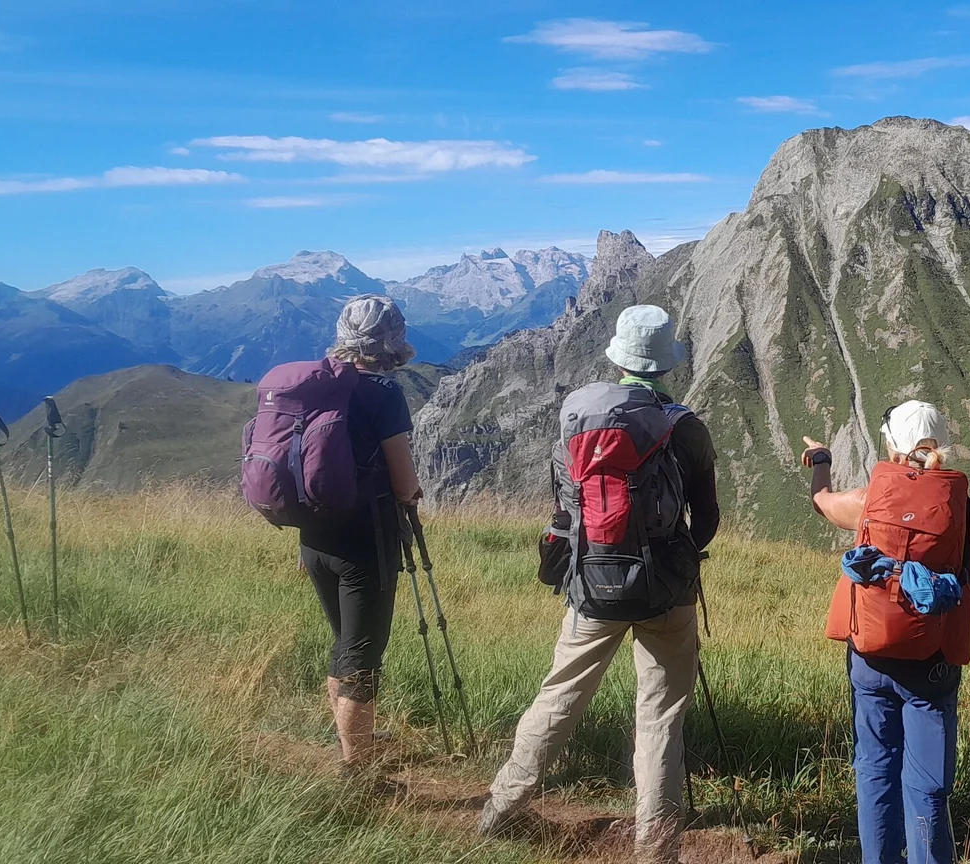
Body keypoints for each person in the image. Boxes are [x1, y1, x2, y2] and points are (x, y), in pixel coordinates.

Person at [479, 305, 721, 864]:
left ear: (618, 357)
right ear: (665, 366)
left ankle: (502, 804)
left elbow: (565, 504)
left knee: (561, 691)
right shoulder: (685, 426)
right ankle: (655, 848)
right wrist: (686, 548)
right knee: (659, 714)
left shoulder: (578, 415)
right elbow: (706, 518)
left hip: (592, 578)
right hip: (666, 589)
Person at [802, 401, 970, 864]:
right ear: (940, 448)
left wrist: (821, 460)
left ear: (892, 446)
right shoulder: (967, 511)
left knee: (874, 768)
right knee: (926, 784)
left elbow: (822, 502)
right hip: (932, 666)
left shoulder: (870, 501)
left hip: (870, 656)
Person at [299, 294, 422, 780]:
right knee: (363, 654)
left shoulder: (318, 385)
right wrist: (411, 496)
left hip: (315, 536)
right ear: (390, 340)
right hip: (365, 541)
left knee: (345, 643)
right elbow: (404, 480)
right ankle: (357, 770)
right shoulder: (383, 392)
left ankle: (352, 741)